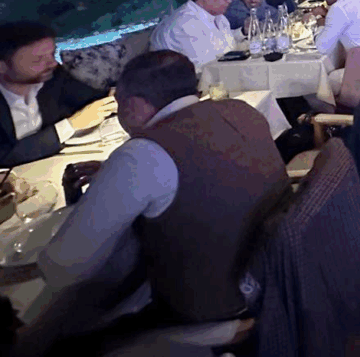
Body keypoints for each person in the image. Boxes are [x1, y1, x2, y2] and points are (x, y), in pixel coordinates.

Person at [22, 51, 289, 356]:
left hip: (210, 308)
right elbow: (212, 167)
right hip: (271, 280)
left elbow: (62, 268)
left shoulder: (141, 156)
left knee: (55, 339)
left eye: (119, 105)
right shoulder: (242, 111)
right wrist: (116, 175)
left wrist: (122, 172)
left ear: (134, 105)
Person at [0, 22, 113, 168]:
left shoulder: (52, 77)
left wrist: (117, 96)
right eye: (37, 60)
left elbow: (89, 99)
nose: (53, 63)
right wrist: (71, 125)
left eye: (52, 54)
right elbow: (5, 156)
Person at [150, 0, 237, 68]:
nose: (229, 0)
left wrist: (243, 32)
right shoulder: (185, 22)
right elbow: (204, 66)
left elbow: (226, 45)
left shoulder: (218, 17)